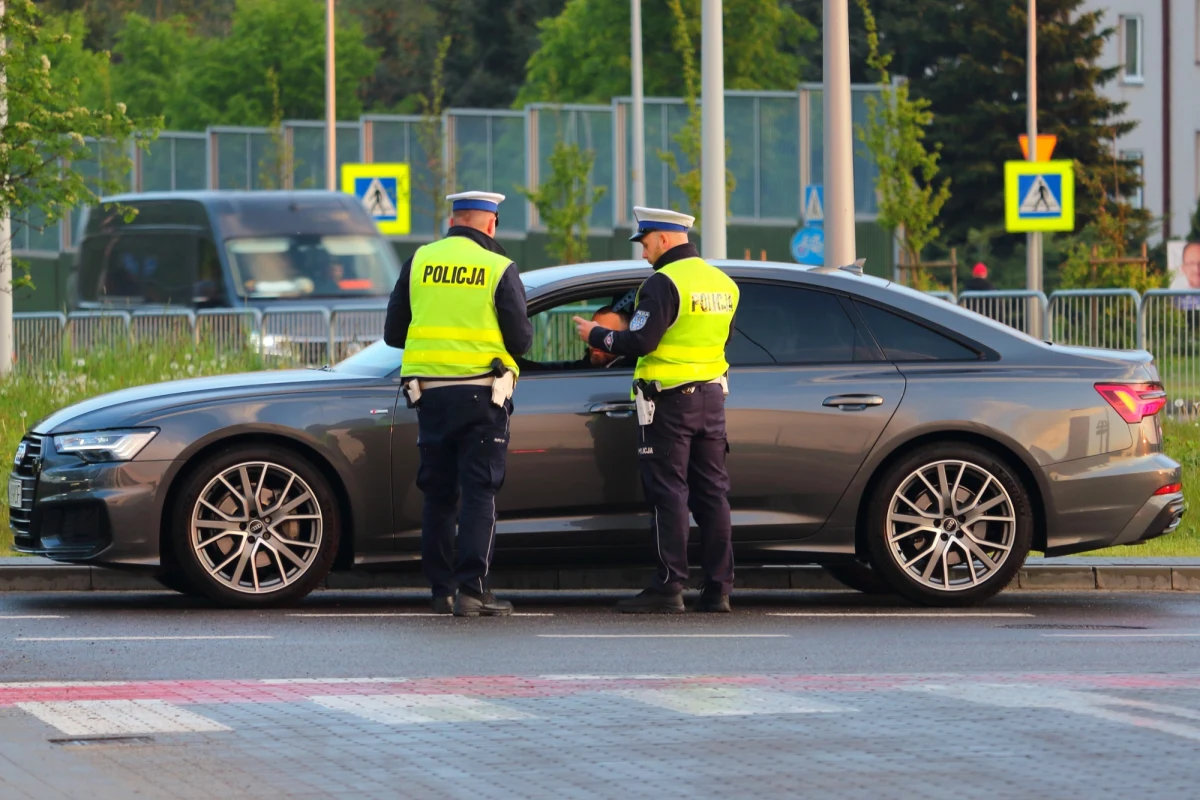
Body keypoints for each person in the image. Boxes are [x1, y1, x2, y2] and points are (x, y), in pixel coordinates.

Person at [573, 206, 740, 614]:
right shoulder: (724, 284)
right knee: (713, 494)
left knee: (669, 495)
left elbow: (641, 340)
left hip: (669, 404)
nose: (644, 253)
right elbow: (721, 339)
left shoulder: (663, 283)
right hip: (711, 400)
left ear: (664, 239)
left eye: (646, 243)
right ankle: (719, 589)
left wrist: (597, 334)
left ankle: (669, 587)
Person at [383, 191, 533, 617]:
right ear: (491, 224)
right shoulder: (498, 267)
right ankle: (473, 591)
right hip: (482, 395)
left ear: (453, 219)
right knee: (479, 493)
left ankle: (440, 591)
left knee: (438, 494)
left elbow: (395, 333)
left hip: (428, 395)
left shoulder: (419, 262)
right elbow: (521, 340)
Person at [520, 305, 633, 372]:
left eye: (602, 333)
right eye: (592, 330)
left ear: (623, 337)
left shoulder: (627, 370)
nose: (594, 338)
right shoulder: (591, 365)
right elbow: (562, 370)